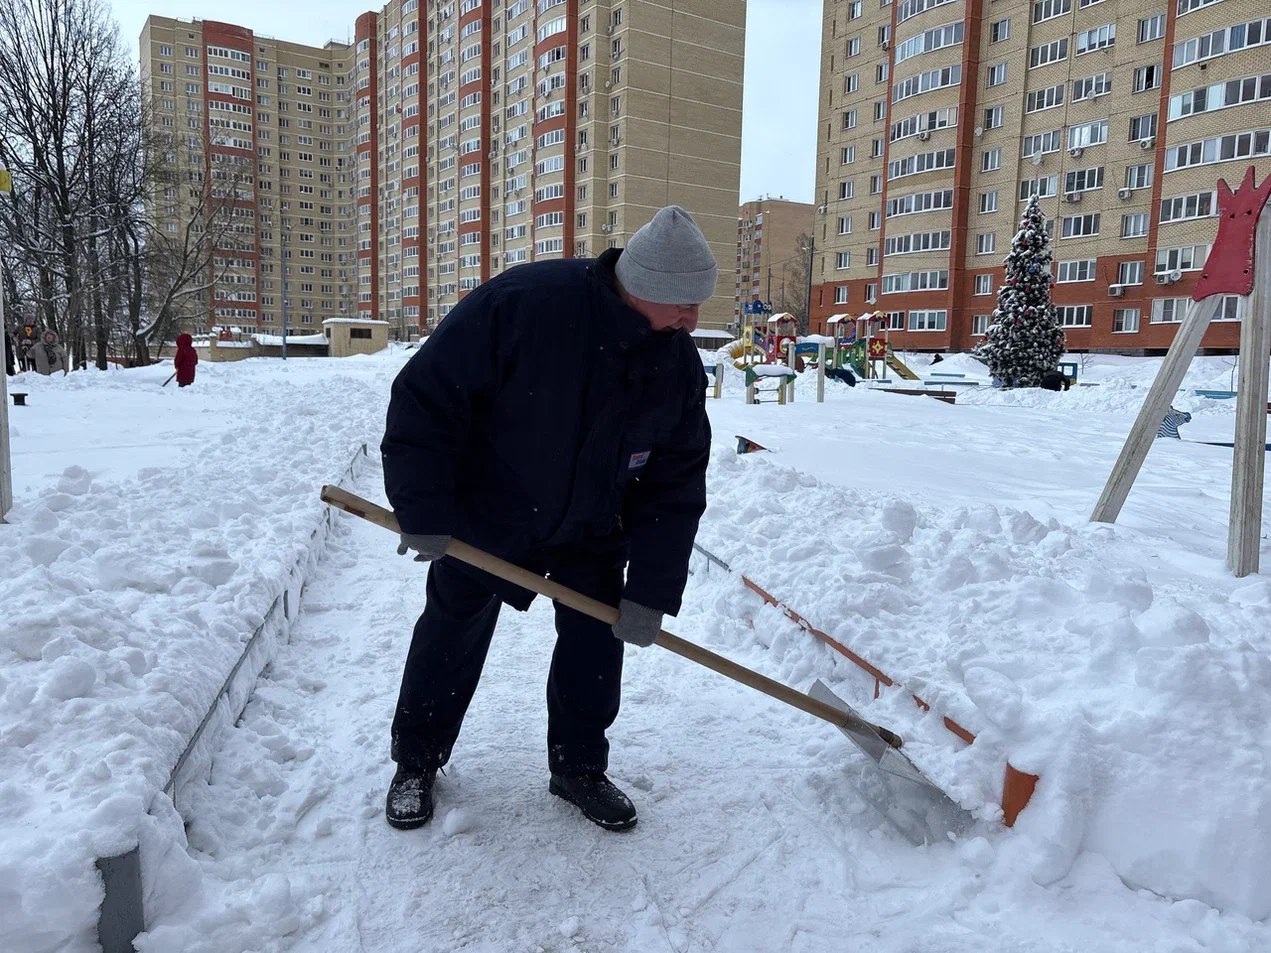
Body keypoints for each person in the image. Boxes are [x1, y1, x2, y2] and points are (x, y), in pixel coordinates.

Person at [380, 205, 715, 833]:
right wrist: (423, 509)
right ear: (642, 288)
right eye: (684, 304)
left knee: (595, 645)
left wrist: (649, 592)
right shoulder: (525, 305)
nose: (694, 320)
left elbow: (675, 486)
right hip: (490, 517)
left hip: (593, 527)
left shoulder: (675, 365)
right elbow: (427, 399)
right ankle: (417, 763)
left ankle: (579, 767)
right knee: (450, 636)